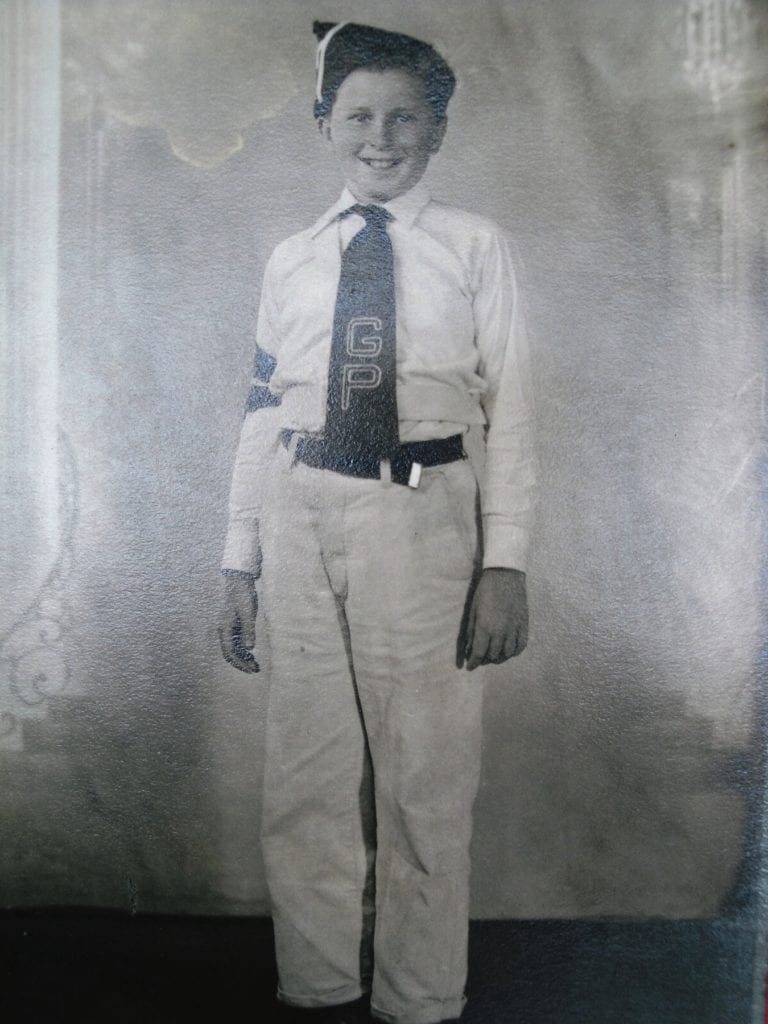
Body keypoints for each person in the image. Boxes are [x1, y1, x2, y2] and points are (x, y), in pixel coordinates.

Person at [218, 21, 536, 1024]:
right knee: (305, 775)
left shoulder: (474, 247)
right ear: (325, 125)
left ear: (438, 130)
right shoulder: (292, 258)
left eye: (406, 115)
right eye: (358, 113)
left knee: (423, 779)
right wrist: (241, 558)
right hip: (301, 511)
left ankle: (420, 999)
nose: (382, 134)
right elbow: (262, 410)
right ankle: (315, 987)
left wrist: (506, 561)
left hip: (425, 521)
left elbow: (516, 407)